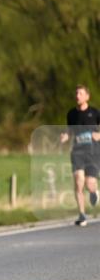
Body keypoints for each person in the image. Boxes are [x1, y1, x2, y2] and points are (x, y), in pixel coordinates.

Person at [59, 85, 100, 226]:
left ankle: (94, 191)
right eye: (76, 93)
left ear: (87, 96)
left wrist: (99, 134)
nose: (77, 96)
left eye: (81, 93)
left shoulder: (95, 113)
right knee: (78, 181)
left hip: (93, 152)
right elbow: (69, 130)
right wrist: (65, 136)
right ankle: (82, 215)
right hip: (77, 151)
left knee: (89, 183)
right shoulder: (71, 114)